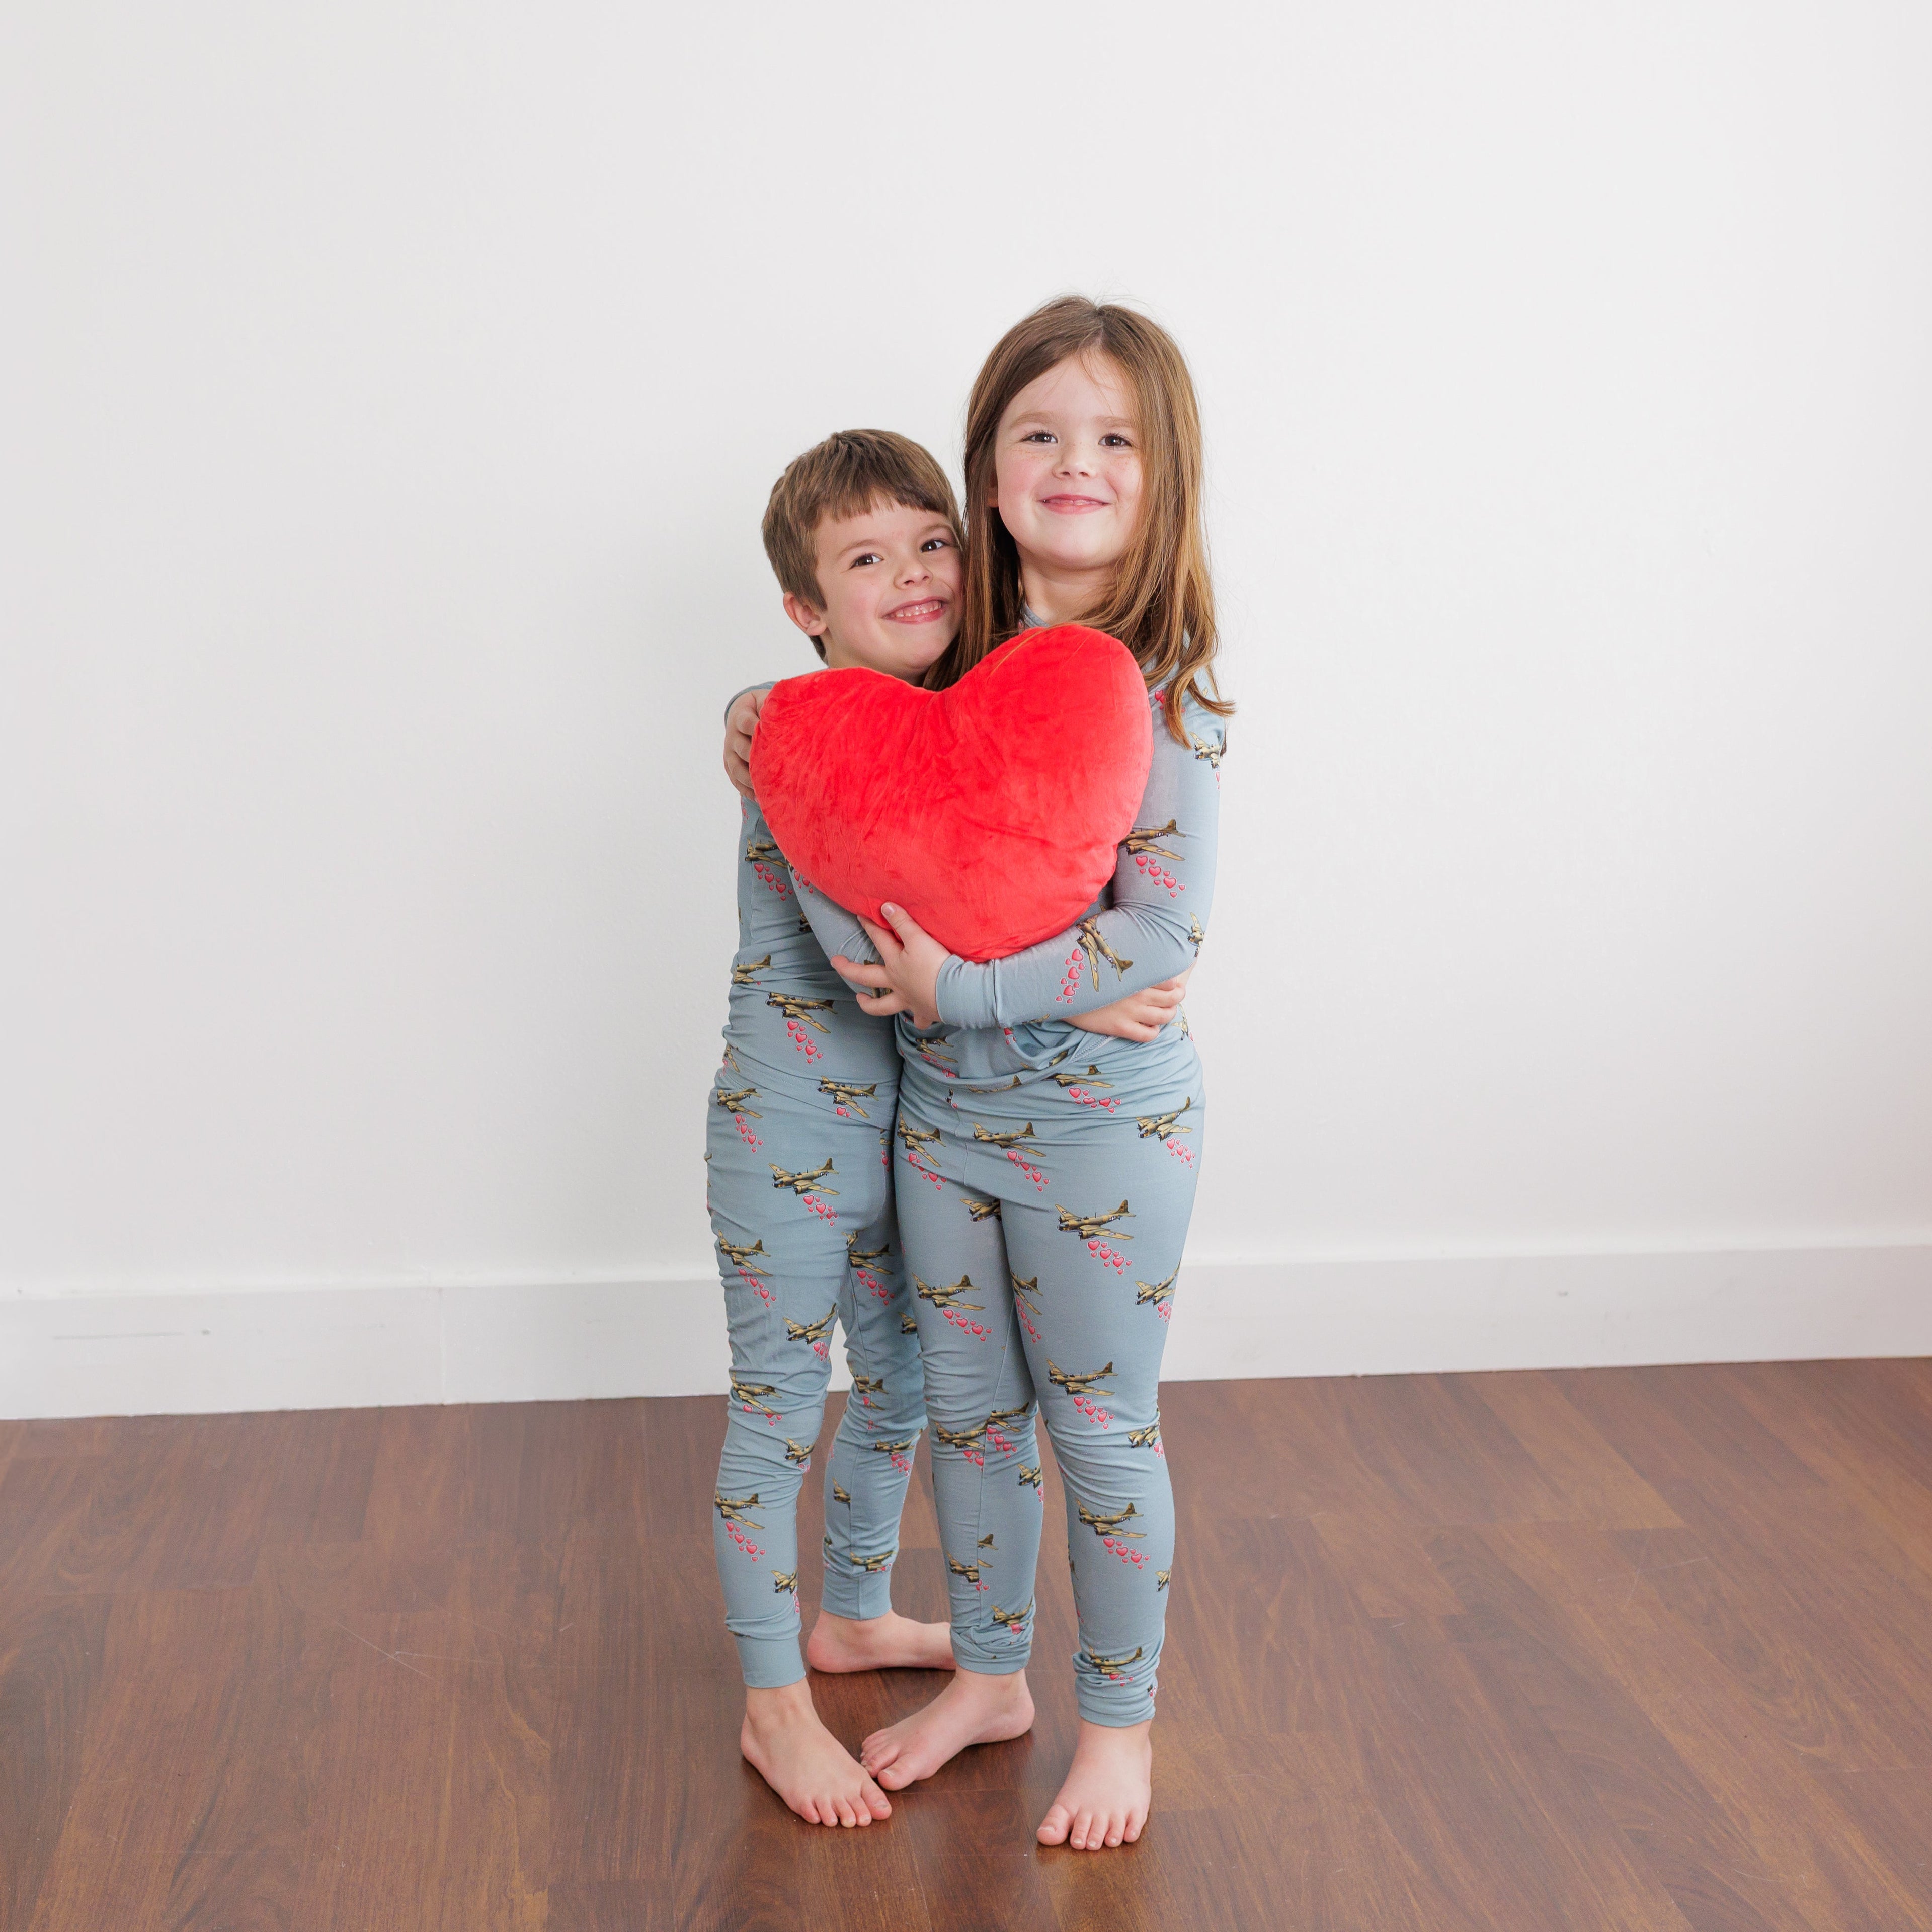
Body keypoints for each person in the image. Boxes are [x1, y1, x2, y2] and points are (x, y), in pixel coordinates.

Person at [726, 297, 1229, 1852]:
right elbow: (880, 844)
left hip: (1098, 1141)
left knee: (1099, 1429)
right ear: (989, 473)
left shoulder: (1169, 694)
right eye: (1039, 432)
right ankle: (994, 1680)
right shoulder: (945, 660)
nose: (1076, 461)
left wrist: (999, 991)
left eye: (1115, 438)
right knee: (970, 1416)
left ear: (1162, 481)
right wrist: (756, 716)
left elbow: (1165, 931)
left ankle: (1121, 1728)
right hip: (938, 1130)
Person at [706, 429, 965, 1830]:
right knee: (776, 1410)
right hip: (786, 1128)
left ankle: (852, 1613)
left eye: (931, 544)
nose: (913, 575)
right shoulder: (799, 738)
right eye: (868, 561)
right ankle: (772, 1707)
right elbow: (882, 955)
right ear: (809, 612)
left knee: (907, 1380)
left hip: (907, 1135)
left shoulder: (951, 721)